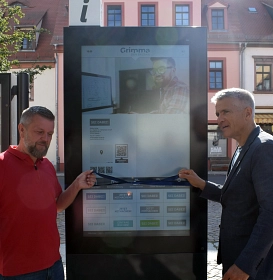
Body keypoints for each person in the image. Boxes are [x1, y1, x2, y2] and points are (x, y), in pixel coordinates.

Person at [179, 88, 273, 280]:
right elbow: (237, 196)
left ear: (248, 113)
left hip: (254, 269)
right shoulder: (242, 148)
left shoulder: (264, 148)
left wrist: (246, 265)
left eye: (226, 112)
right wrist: (202, 184)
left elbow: (271, 212)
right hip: (236, 257)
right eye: (217, 113)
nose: (219, 119)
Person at [0, 106, 96, 279]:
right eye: (39, 132)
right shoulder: (2, 165)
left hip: (54, 266)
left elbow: (57, 204)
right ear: (22, 129)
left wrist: (77, 185)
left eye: (50, 134)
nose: (45, 139)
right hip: (17, 272)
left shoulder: (47, 166)